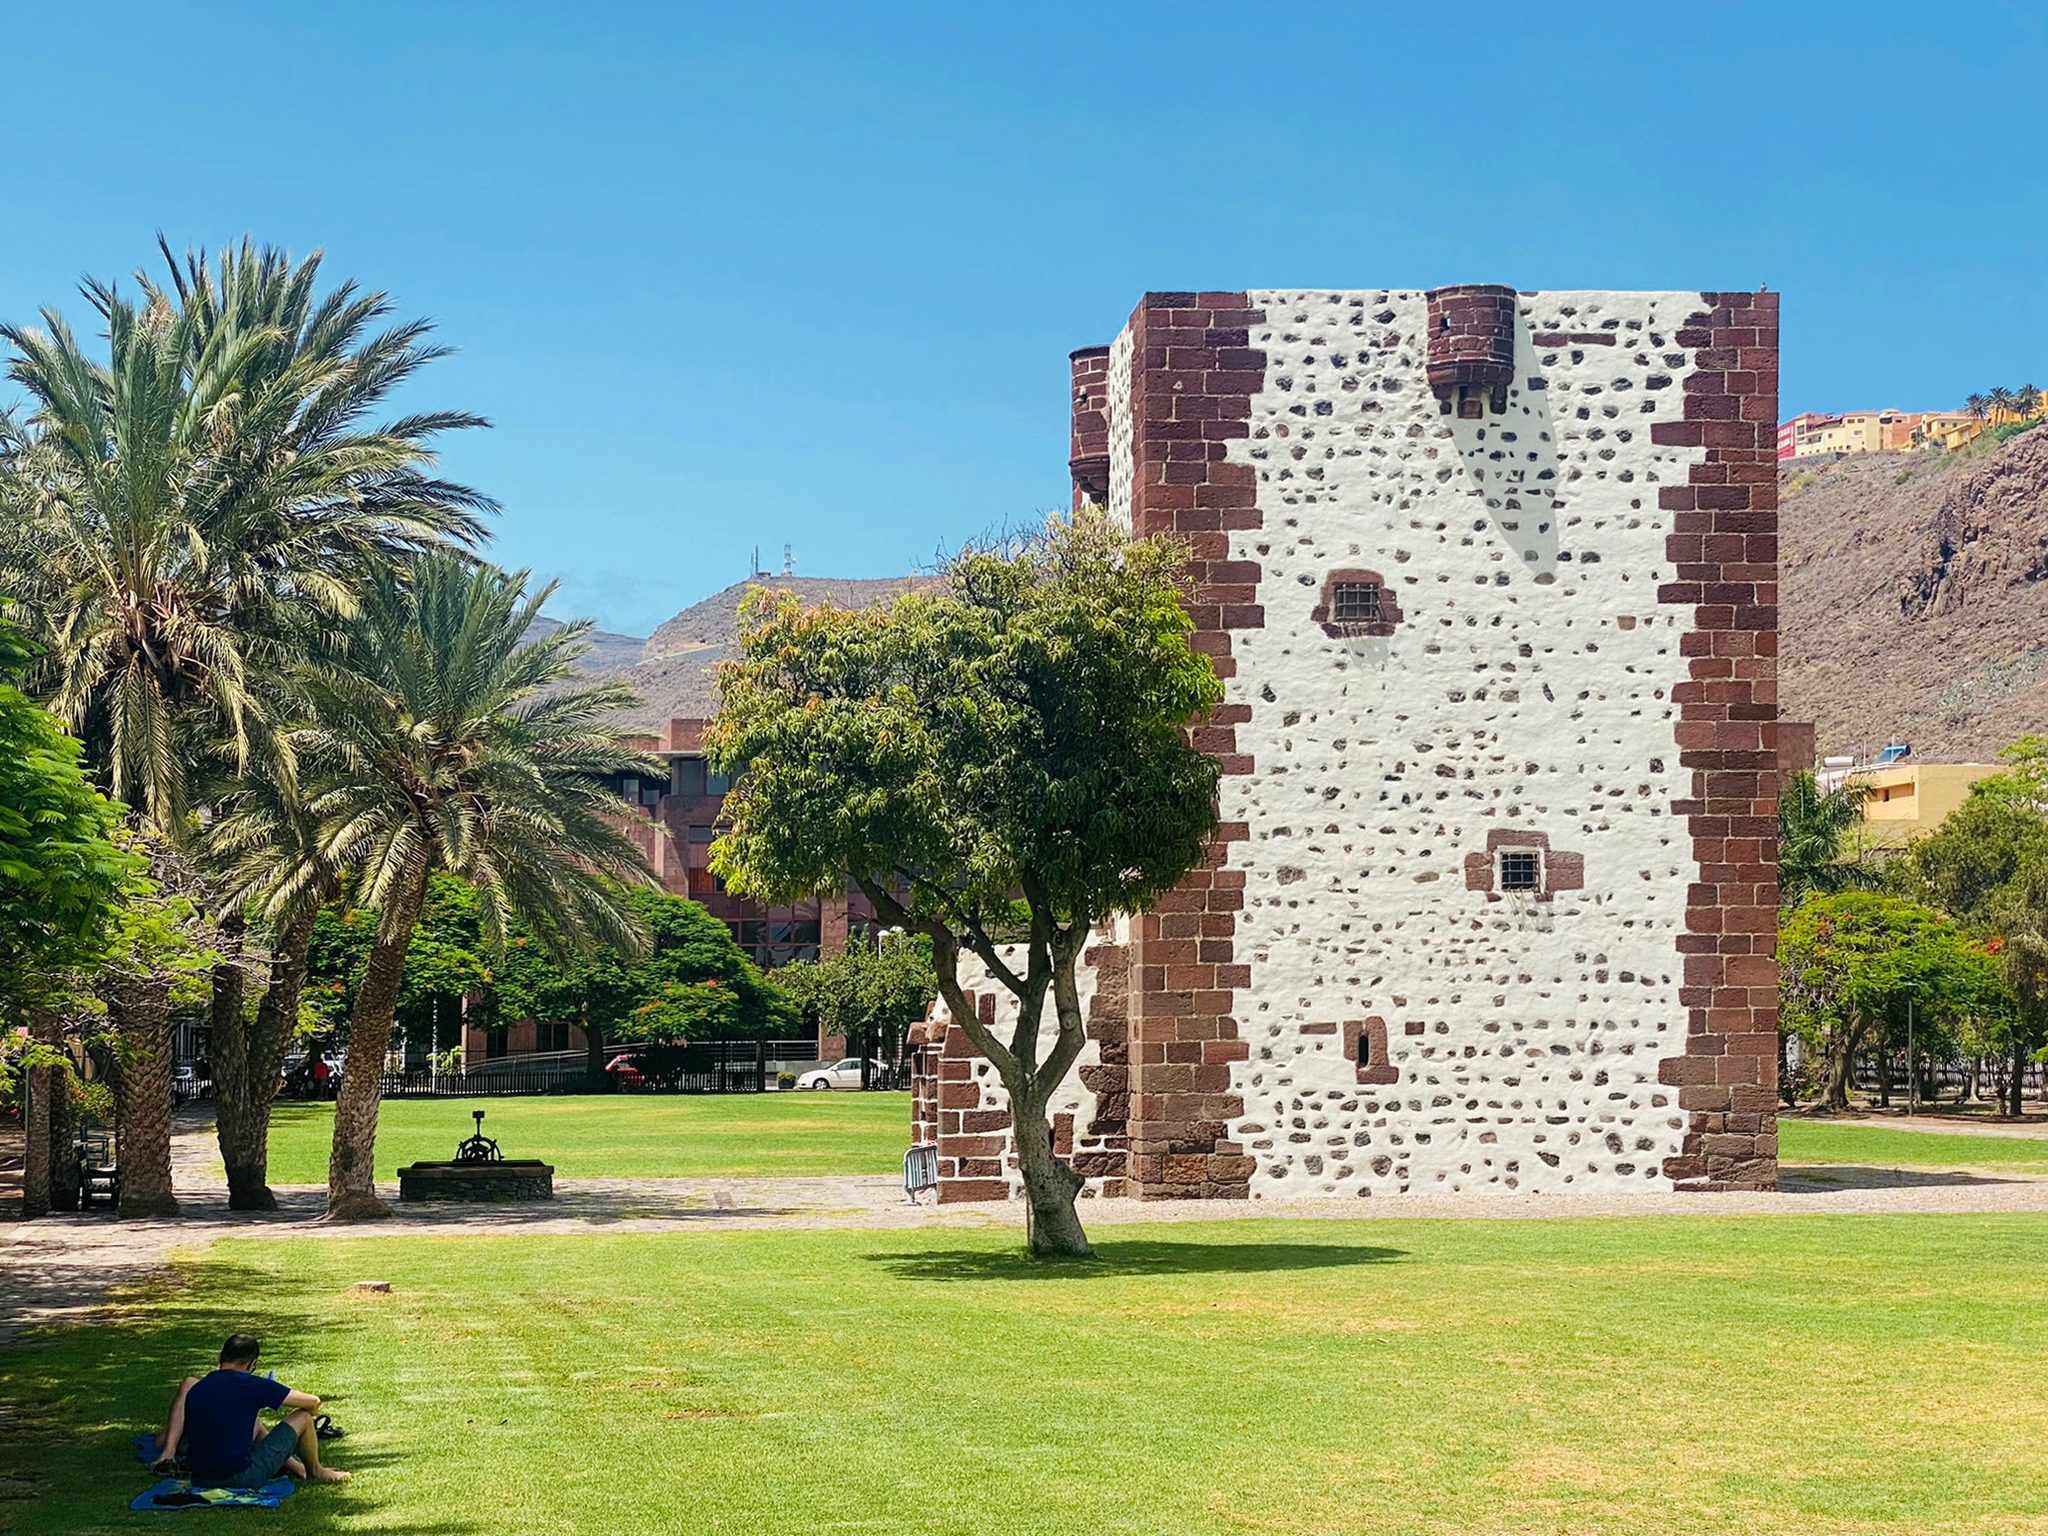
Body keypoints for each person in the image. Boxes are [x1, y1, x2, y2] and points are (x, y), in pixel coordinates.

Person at [153, 1333, 349, 1487]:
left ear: (220, 1357)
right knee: (303, 1417)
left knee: (253, 1422)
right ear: (252, 1364)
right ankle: (316, 1471)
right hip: (240, 1477)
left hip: (200, 1477)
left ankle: (298, 1468)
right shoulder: (252, 1385)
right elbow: (313, 1402)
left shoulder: (197, 1387)